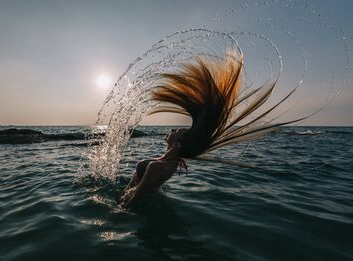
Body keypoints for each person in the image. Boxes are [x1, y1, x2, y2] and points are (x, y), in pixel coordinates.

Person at [118, 50, 301, 209]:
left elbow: (135, 200)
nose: (173, 129)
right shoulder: (165, 161)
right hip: (128, 203)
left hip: (129, 209)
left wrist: (115, 216)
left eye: (178, 132)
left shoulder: (159, 166)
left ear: (177, 145)